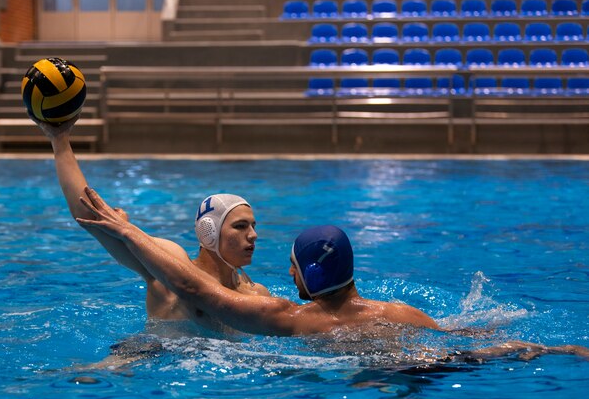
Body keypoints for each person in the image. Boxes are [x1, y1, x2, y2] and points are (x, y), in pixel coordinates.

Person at [75, 187, 589, 361]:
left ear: (305, 277)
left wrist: (128, 231)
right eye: (244, 227)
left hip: (359, 366)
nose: (255, 239)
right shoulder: (398, 311)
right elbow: (463, 339)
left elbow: (194, 287)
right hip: (431, 356)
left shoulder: (293, 319)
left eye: (293, 266)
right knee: (471, 350)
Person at [33, 117, 269, 330]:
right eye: (240, 226)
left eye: (253, 226)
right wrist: (60, 139)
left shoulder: (256, 294)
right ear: (209, 231)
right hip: (150, 356)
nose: (253, 235)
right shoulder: (169, 267)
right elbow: (90, 216)